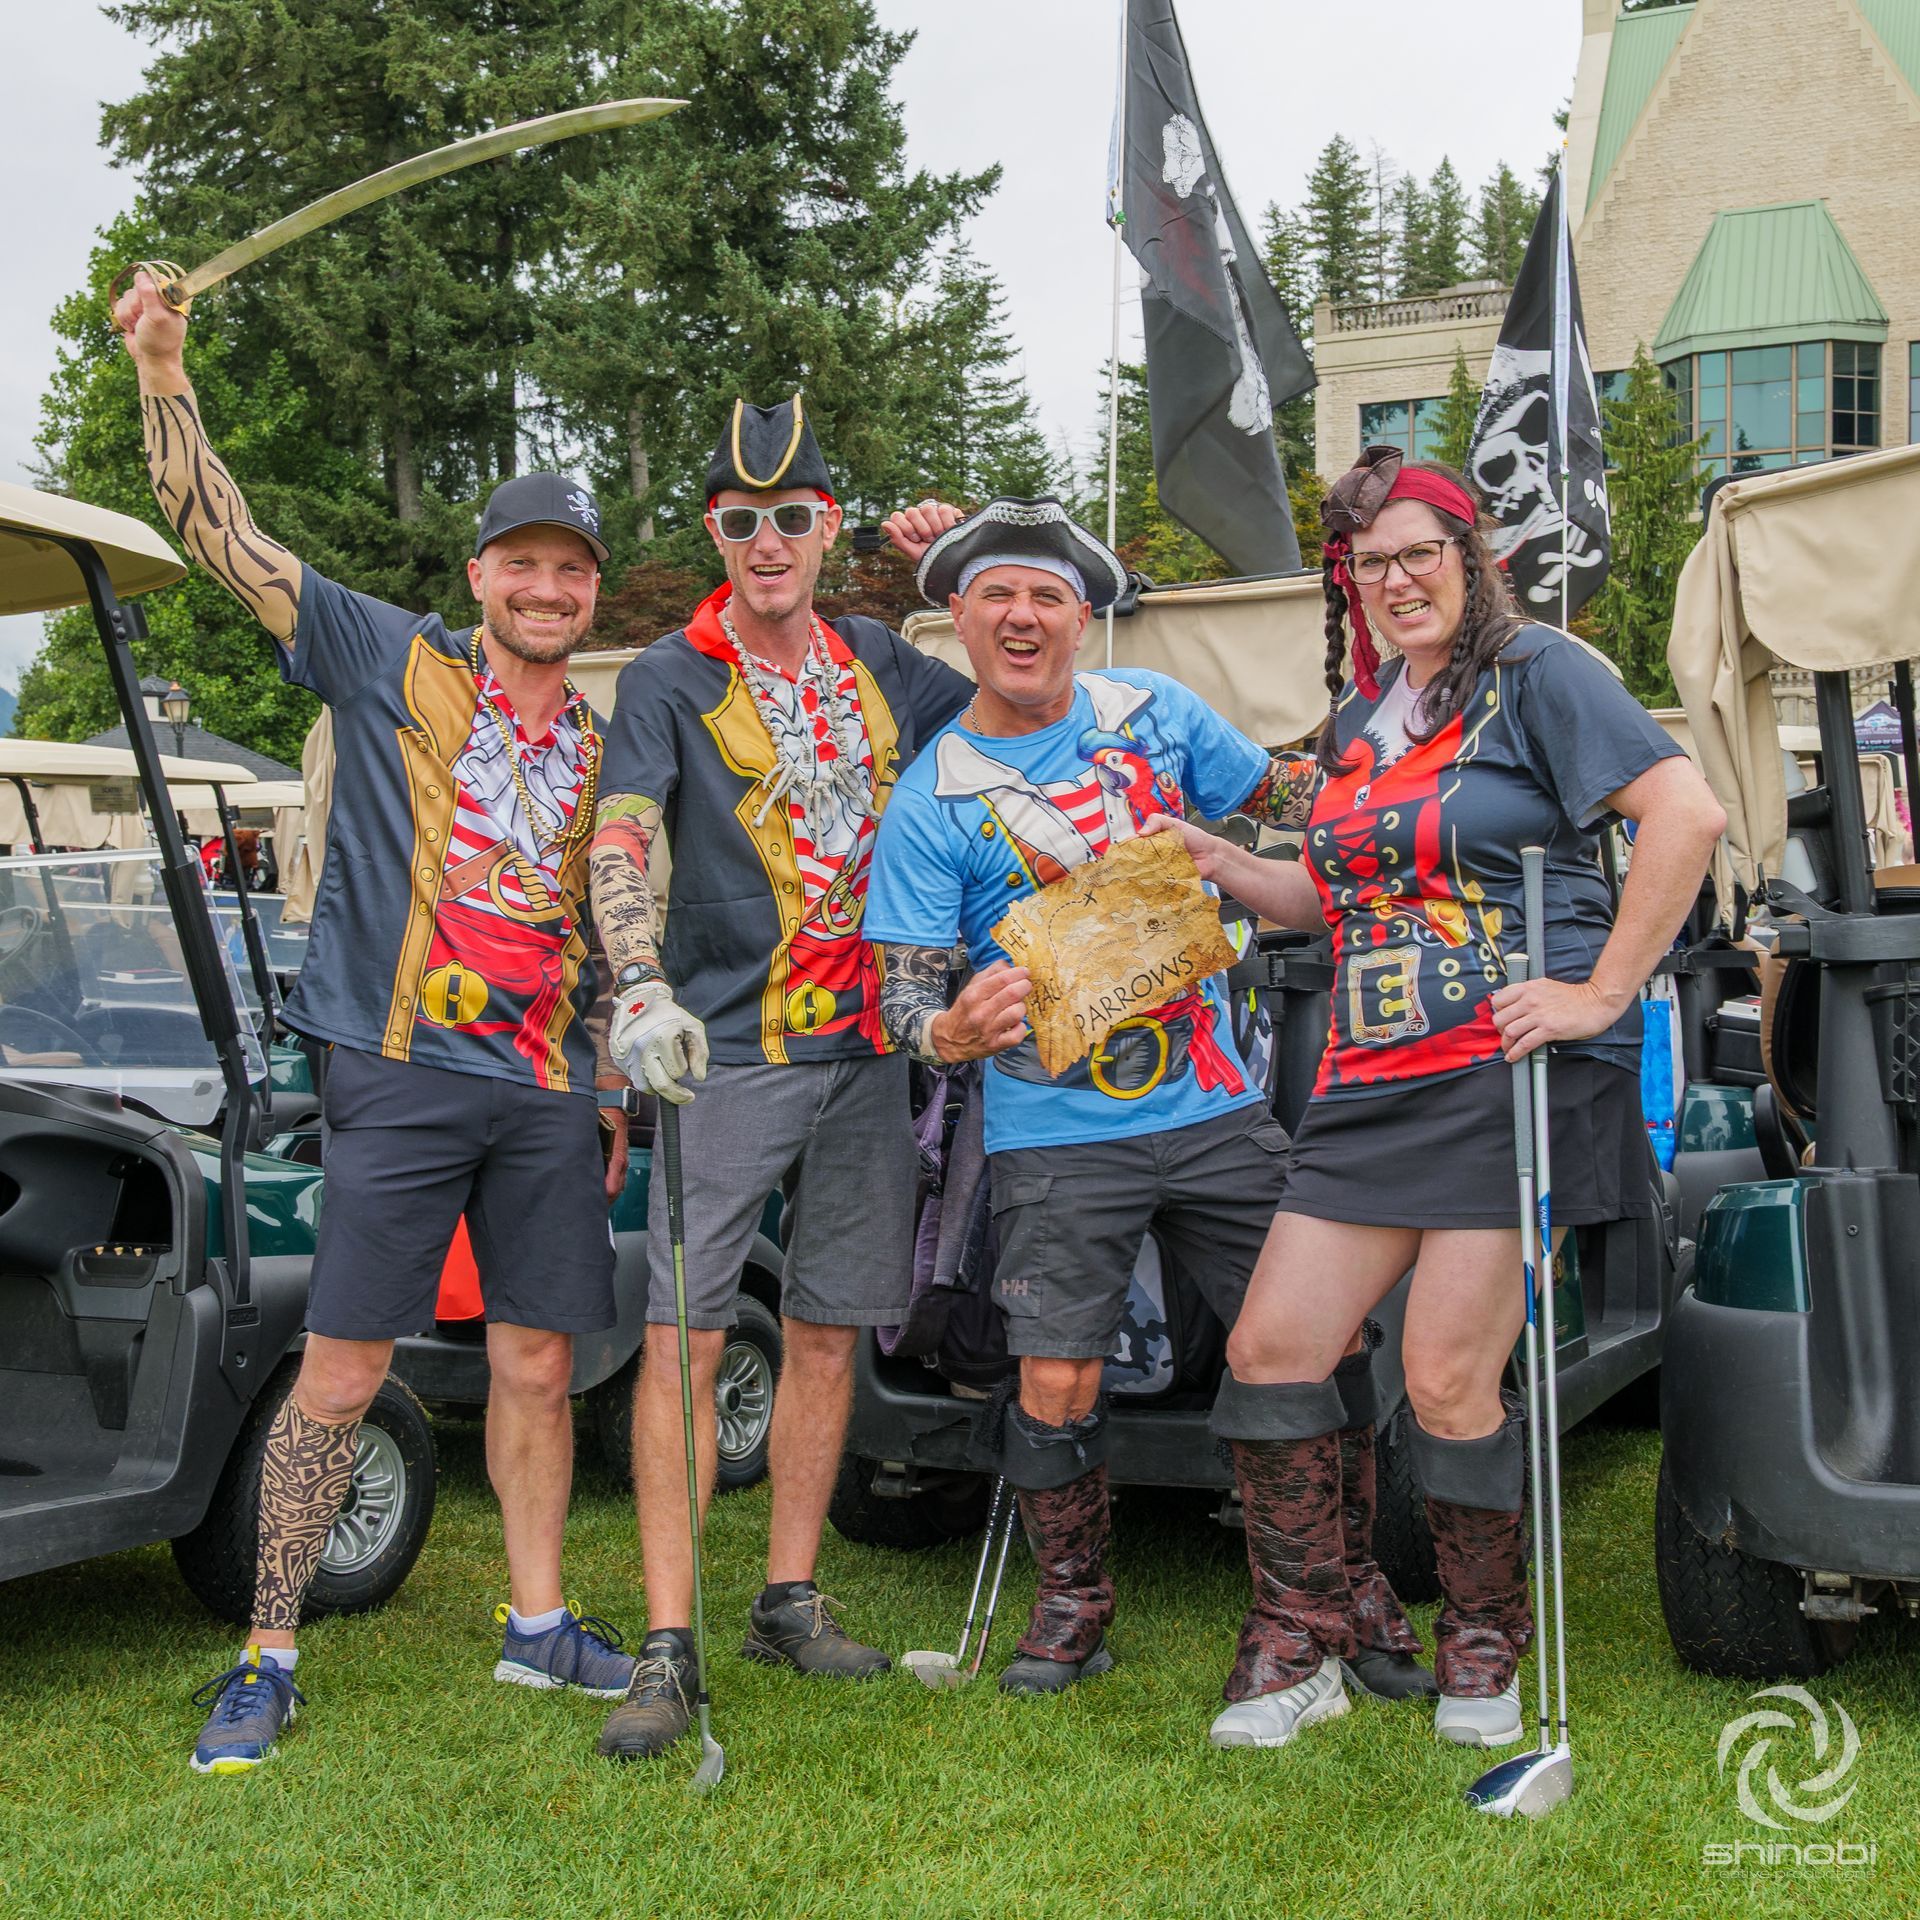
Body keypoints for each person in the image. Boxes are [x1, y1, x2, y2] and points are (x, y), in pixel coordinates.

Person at [114, 271, 638, 1773]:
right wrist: (166, 374)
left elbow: (597, 928)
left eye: (572, 572)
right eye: (524, 565)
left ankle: (539, 1628)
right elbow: (224, 539)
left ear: (591, 590)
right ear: (482, 573)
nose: (547, 590)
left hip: (542, 1088)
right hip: (399, 1069)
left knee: (541, 1362)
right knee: (343, 1367)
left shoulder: (601, 742)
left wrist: (606, 1088)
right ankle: (266, 1651)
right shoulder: (384, 654)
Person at [1149, 446, 1726, 1750]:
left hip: (1503, 1071)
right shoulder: (1361, 725)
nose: (1398, 578)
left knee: (1445, 1376)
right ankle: (1307, 1642)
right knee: (1274, 1351)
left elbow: (1686, 815)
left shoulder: (1540, 677)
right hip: (1371, 1075)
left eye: (1423, 552)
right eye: (1373, 562)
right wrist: (1218, 857)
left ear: (1475, 561)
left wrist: (1602, 994)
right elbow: (1327, 901)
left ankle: (1483, 1648)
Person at [862, 496, 1435, 1735]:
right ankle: (1073, 1605)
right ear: (955, 618)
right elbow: (902, 982)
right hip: (1055, 1134)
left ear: (1082, 616)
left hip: (1220, 1107)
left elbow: (1284, 797)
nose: (1023, 616)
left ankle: (1353, 1592)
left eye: (1048, 596)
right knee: (1056, 1371)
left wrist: (1390, 761)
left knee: (1324, 1342)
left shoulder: (1156, 716)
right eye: (998, 596)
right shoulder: (934, 796)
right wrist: (947, 1032)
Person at [588, 396, 973, 1762]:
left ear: (826, 525)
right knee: (687, 1341)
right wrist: (634, 982)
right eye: (741, 521)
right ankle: (668, 1644)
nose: (767, 542)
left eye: (793, 517)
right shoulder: (666, 675)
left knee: (826, 1330)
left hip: (867, 1051)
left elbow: (1019, 683)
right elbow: (625, 833)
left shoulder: (882, 654)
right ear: (715, 531)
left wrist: (953, 560)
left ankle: (788, 1599)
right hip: (725, 1051)